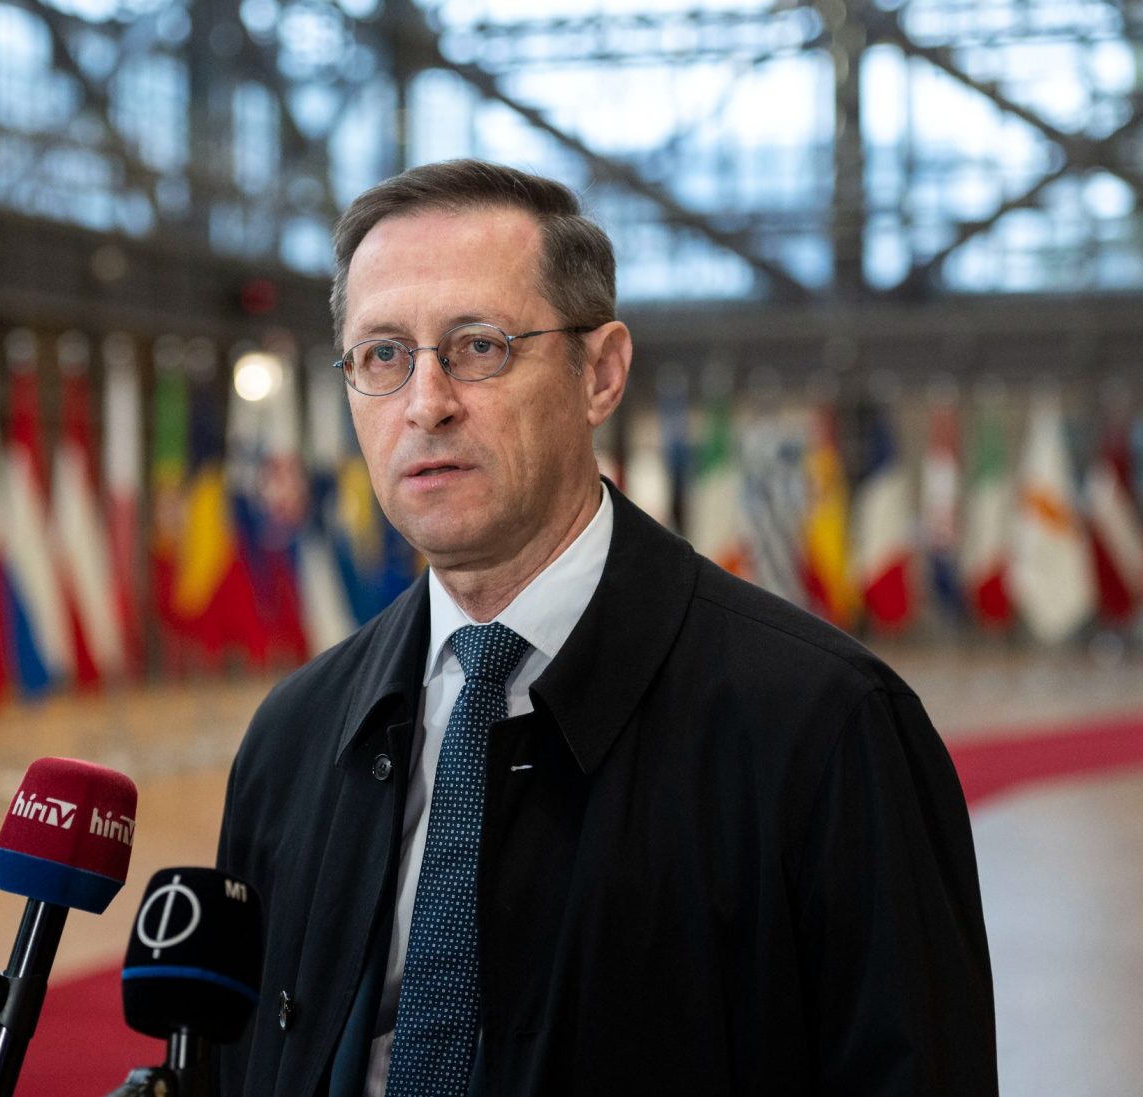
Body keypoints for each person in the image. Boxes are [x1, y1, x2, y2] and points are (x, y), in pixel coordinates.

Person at [216, 159, 996, 1096]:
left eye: (479, 346)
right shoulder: (293, 736)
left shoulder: (828, 729)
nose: (426, 403)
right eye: (383, 355)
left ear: (601, 372)